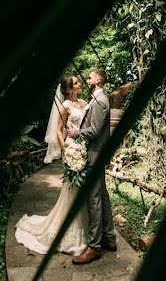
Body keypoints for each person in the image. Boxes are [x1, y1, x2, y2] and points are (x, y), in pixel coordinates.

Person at [15, 75, 90, 255]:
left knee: (84, 189)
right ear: (70, 89)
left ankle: (89, 230)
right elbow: (58, 129)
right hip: (72, 148)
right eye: (76, 83)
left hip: (85, 147)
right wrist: (66, 149)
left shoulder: (84, 102)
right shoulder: (65, 106)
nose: (80, 83)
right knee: (72, 190)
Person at [69, 69, 117, 265]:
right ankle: (109, 237)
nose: (86, 79)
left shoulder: (99, 101)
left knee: (94, 199)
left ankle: (94, 247)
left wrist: (77, 132)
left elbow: (95, 130)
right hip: (97, 154)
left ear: (97, 79)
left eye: (89, 77)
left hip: (95, 155)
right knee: (102, 195)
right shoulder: (98, 99)